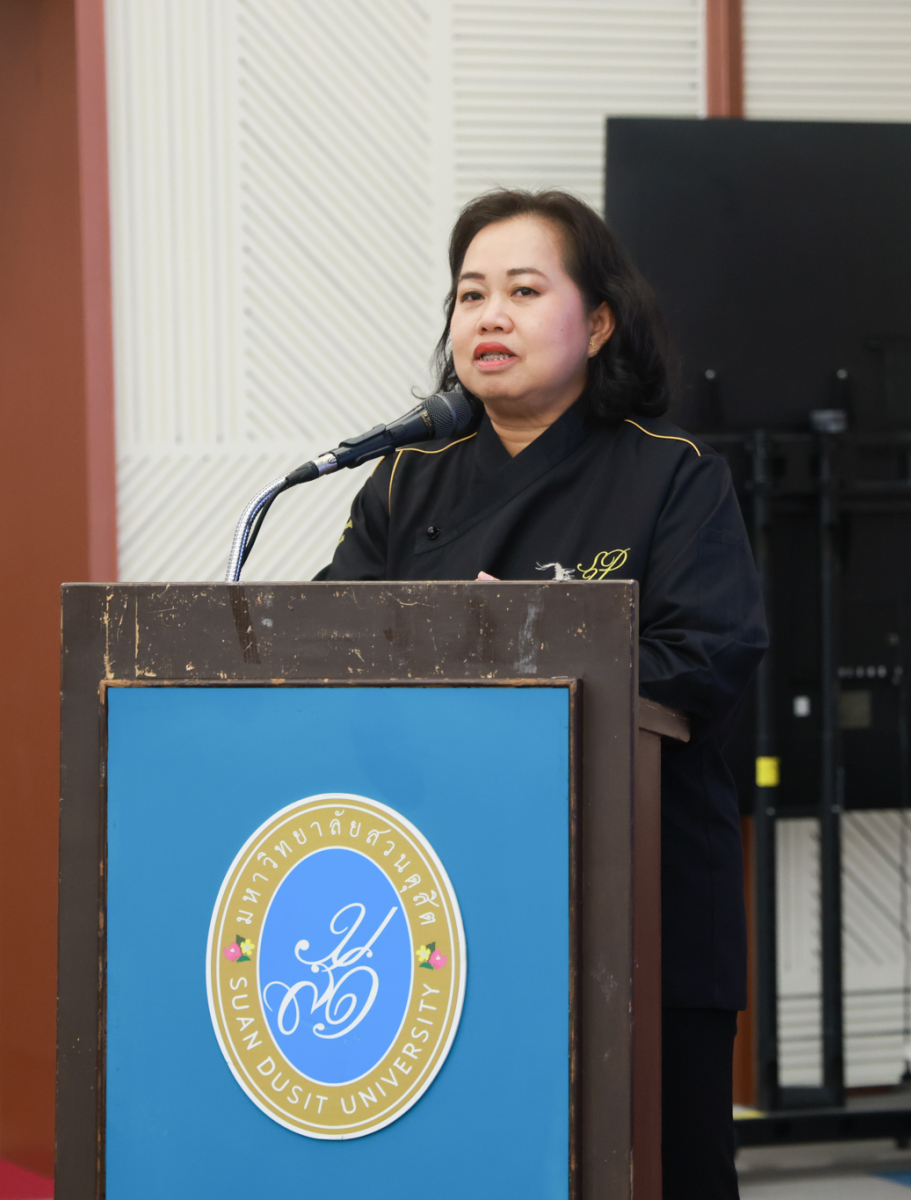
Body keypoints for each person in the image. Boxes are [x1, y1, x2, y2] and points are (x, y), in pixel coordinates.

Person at [317, 188, 767, 1197]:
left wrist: (529, 644)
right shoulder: (403, 482)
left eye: (524, 291)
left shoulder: (672, 475)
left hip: (641, 910)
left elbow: (709, 656)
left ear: (599, 323)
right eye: (470, 293)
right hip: (444, 908)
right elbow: (327, 658)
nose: (490, 316)